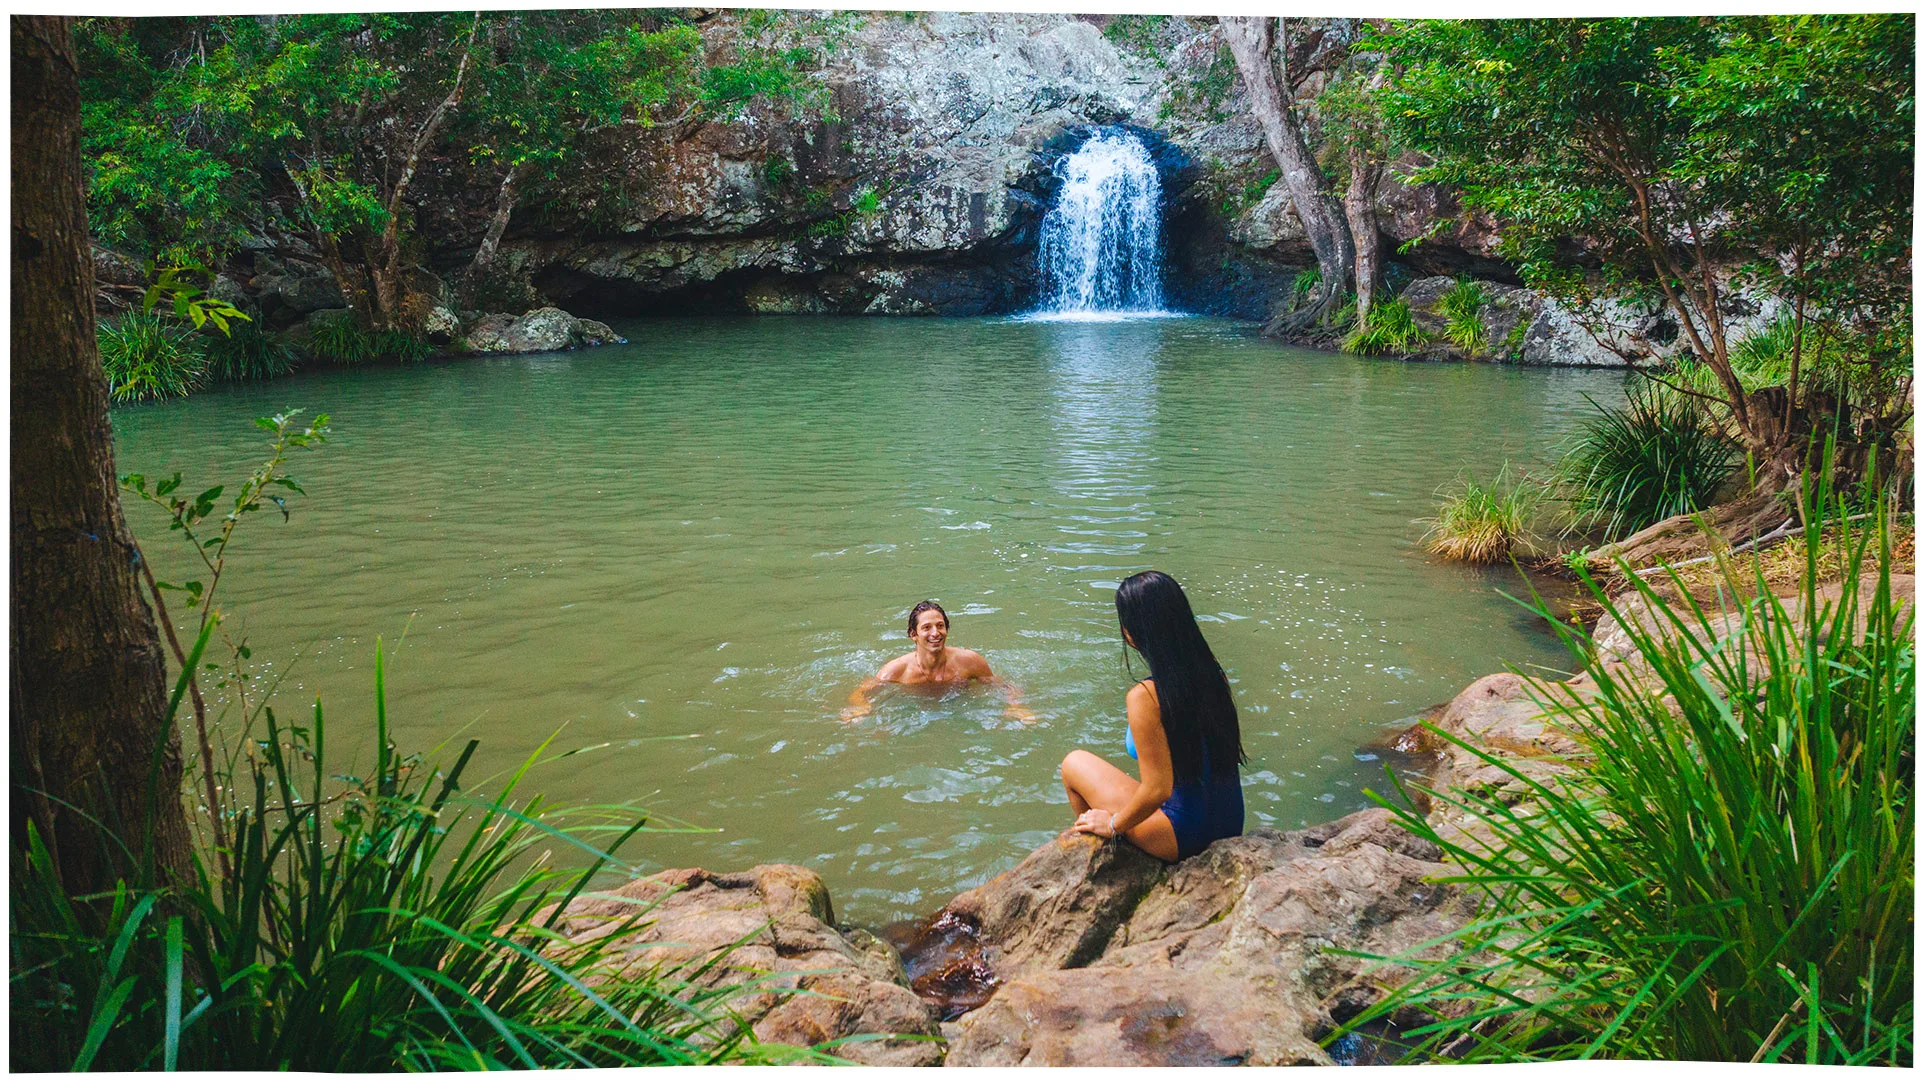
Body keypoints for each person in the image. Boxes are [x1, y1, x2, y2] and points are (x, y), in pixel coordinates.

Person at [1061, 570, 1245, 861]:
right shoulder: (1214, 675)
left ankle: (1099, 855)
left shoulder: (1145, 696)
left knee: (1073, 763)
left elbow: (1158, 789)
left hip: (1183, 836)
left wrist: (1112, 824)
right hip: (1230, 824)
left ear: (1132, 632)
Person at [842, 600, 1034, 723]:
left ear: (947, 630)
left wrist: (1016, 706)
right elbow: (862, 692)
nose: (935, 633)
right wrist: (860, 706)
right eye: (926, 627)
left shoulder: (969, 661)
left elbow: (1003, 686)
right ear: (913, 635)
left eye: (940, 626)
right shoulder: (895, 672)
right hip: (915, 714)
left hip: (961, 712)